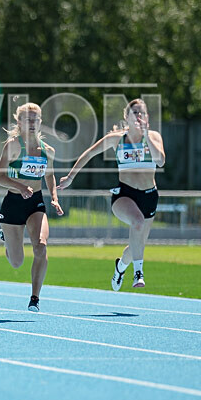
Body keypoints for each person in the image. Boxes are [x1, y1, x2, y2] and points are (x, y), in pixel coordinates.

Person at [59, 98, 165, 291]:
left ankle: (121, 266)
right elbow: (89, 153)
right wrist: (70, 177)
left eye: (142, 113)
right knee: (137, 223)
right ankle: (138, 273)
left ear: (147, 117)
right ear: (127, 117)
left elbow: (160, 162)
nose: (139, 116)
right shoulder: (117, 139)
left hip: (149, 196)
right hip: (125, 195)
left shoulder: (154, 137)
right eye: (135, 113)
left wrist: (147, 135)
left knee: (136, 246)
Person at [0, 103, 63, 312]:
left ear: (40, 122)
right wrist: (20, 186)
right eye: (28, 119)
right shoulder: (13, 146)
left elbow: (49, 175)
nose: (32, 123)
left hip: (36, 203)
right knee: (16, 262)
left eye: (36, 119)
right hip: (13, 203)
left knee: (41, 246)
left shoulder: (48, 150)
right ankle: (7, 240)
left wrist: (54, 197)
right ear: (19, 122)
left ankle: (35, 297)